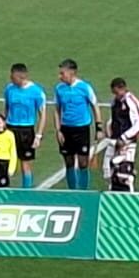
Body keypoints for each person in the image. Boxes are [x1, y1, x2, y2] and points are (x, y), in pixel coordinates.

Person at [53, 58, 99, 191]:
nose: (60, 76)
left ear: (72, 72)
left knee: (83, 162)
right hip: (66, 129)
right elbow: (57, 109)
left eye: (62, 73)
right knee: (68, 162)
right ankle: (72, 190)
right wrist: (58, 130)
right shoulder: (59, 88)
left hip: (82, 129)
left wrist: (99, 127)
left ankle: (83, 191)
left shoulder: (85, 87)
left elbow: (95, 106)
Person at [3, 63, 47, 188]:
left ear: (21, 76)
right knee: (5, 160)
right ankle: (3, 187)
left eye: (13, 77)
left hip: (26, 130)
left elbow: (42, 115)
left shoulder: (36, 92)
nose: (11, 79)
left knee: (25, 163)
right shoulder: (9, 89)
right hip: (10, 128)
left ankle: (26, 190)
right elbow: (6, 109)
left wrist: (38, 135)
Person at [103, 77, 139, 184]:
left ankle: (128, 195)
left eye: (117, 92)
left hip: (127, 143)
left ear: (123, 88)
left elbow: (138, 125)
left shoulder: (131, 101)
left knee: (125, 174)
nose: (116, 95)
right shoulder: (115, 102)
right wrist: (108, 129)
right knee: (107, 171)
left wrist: (124, 138)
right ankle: (111, 193)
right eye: (114, 93)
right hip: (114, 140)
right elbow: (114, 119)